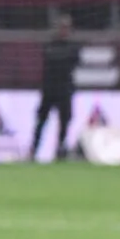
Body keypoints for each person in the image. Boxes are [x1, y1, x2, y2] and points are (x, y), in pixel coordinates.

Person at [30, 14, 81, 162]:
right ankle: (33, 150)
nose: (64, 31)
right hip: (49, 89)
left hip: (65, 90)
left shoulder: (72, 47)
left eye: (66, 28)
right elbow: (53, 58)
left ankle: (60, 151)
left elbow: (71, 60)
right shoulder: (50, 46)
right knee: (41, 121)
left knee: (64, 122)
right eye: (61, 28)